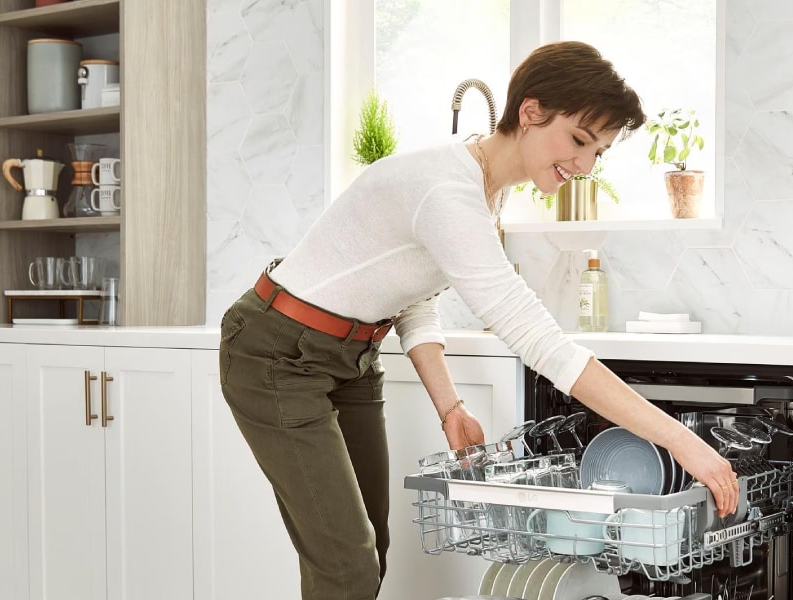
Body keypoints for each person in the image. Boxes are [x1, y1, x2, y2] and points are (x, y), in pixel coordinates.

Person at [219, 40, 738, 600]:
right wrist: (681, 441)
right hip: (276, 353)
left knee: (369, 553)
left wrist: (450, 406)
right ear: (531, 112)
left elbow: (411, 296)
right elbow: (539, 341)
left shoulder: (484, 189)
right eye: (579, 141)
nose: (585, 166)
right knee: (347, 565)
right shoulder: (447, 190)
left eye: (599, 153)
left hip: (350, 356)